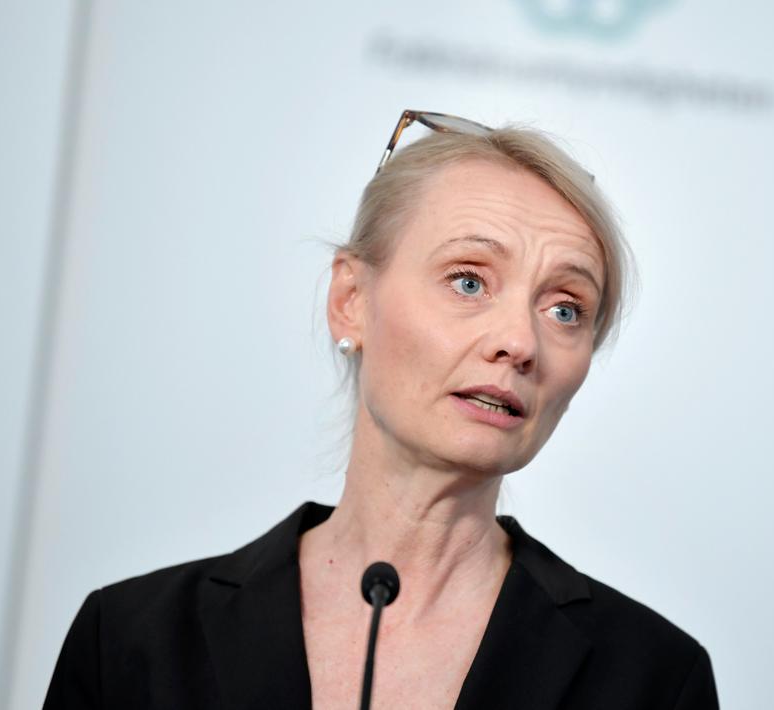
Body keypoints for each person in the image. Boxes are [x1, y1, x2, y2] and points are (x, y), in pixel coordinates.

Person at [42, 110, 719, 709]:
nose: (520, 342)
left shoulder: (654, 678)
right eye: (468, 281)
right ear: (351, 301)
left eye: (566, 309)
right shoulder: (132, 641)